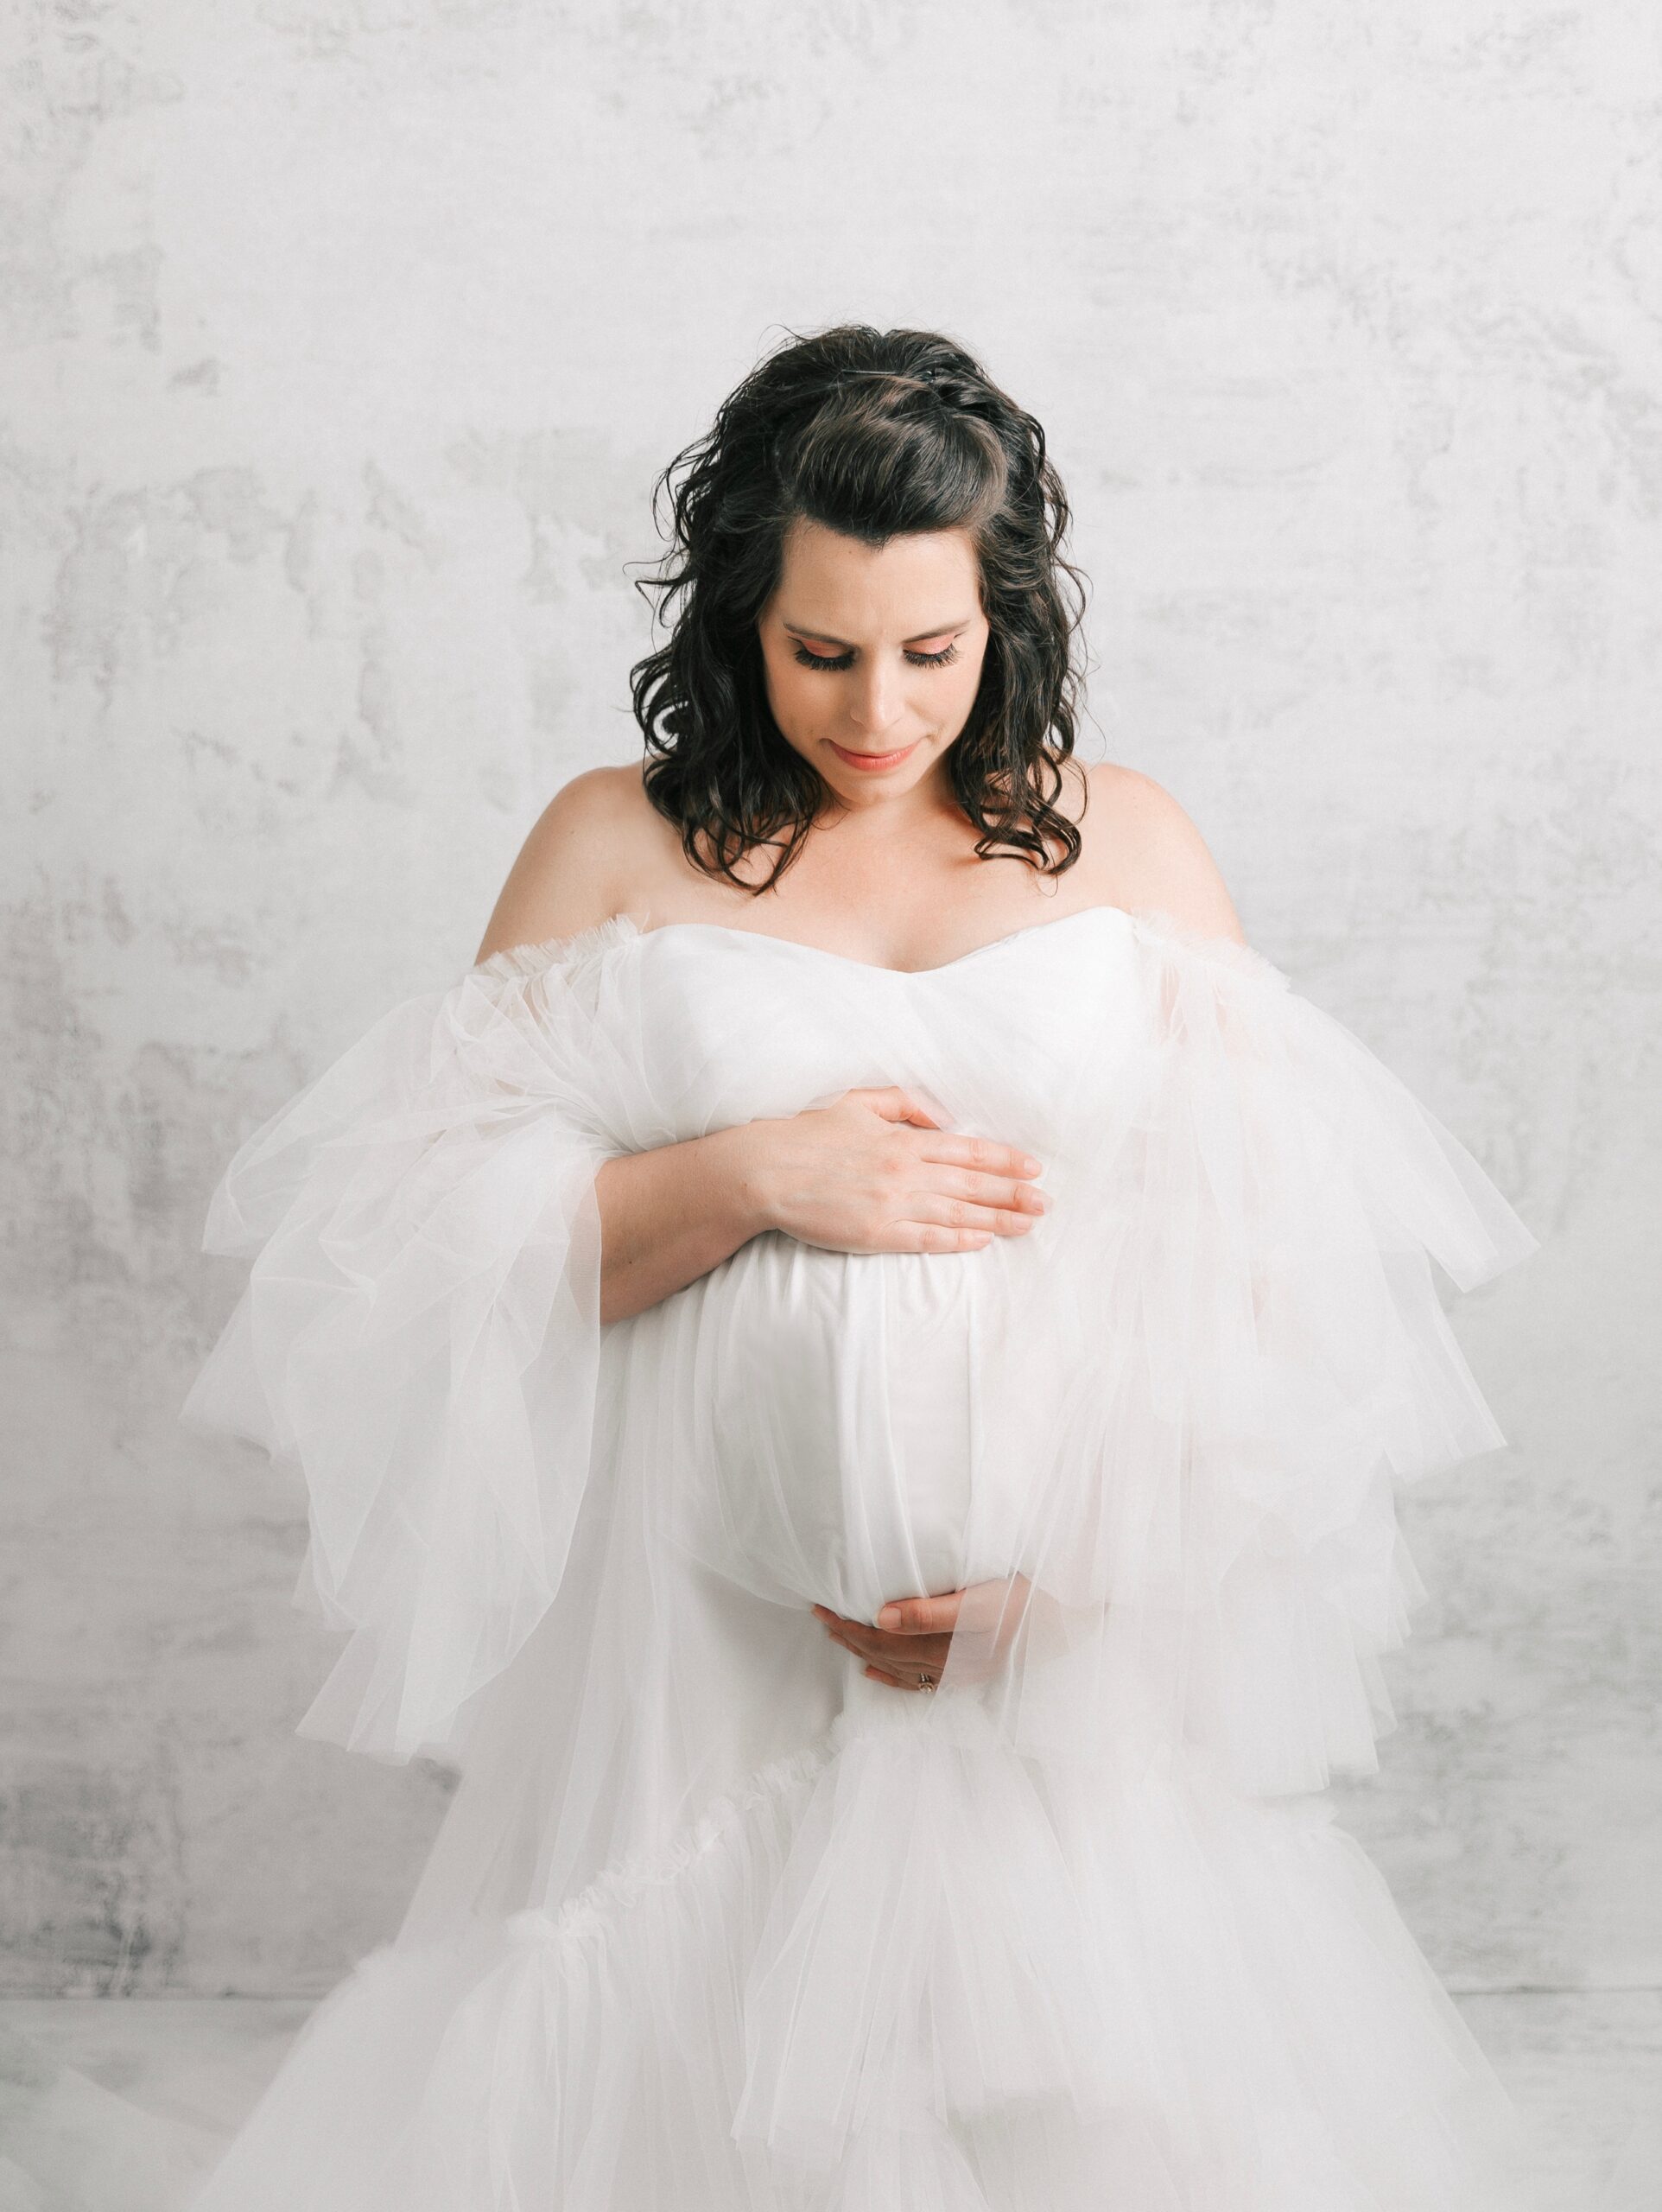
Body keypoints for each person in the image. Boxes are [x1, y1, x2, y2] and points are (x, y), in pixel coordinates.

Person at [176, 324, 1538, 2209]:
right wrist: (743, 1170)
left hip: (1044, 1662)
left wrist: (1080, 1575)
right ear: (739, 610)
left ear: (1008, 618)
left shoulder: (1126, 843)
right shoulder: (610, 846)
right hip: (696, 1650)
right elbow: (425, 1259)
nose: (876, 708)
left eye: (930, 648)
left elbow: (1269, 1289)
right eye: (820, 649)